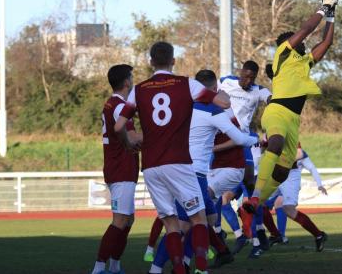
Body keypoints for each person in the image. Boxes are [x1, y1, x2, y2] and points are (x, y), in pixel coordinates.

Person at [115, 42, 231, 274]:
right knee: (198, 219)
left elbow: (119, 125)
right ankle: (201, 267)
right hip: (179, 162)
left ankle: (178, 268)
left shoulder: (139, 89)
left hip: (151, 166)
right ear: (173, 60)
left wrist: (129, 143)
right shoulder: (185, 83)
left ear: (150, 62)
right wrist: (222, 90)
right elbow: (223, 103)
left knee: (171, 225)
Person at [245, 0, 338, 223]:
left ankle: (248, 209)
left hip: (293, 120)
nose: (303, 44)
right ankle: (255, 197)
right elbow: (306, 30)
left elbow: (326, 42)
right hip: (276, 111)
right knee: (274, 143)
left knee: (283, 171)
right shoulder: (282, 54)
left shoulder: (304, 63)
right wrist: (322, 6)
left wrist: (331, 14)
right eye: (296, 41)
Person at [214, 61, 272, 256]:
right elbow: (210, 93)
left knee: (250, 186)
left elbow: (271, 98)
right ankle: (229, 233)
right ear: (240, 72)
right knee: (216, 195)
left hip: (242, 143)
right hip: (222, 140)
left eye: (251, 78)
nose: (247, 81)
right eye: (245, 76)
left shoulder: (258, 91)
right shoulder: (225, 82)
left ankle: (258, 235)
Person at [91, 64, 141, 274]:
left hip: (121, 167)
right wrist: (161, 134)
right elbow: (131, 138)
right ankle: (99, 267)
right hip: (121, 167)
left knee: (128, 219)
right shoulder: (120, 106)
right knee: (120, 220)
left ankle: (114, 265)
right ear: (127, 82)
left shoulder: (112, 104)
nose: (133, 80)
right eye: (131, 77)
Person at [263, 146, 328, 251]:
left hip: (291, 181)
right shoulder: (275, 142)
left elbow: (311, 168)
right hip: (276, 178)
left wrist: (319, 184)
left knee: (288, 209)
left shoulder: (299, 152)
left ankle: (319, 235)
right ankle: (275, 235)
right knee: (259, 204)